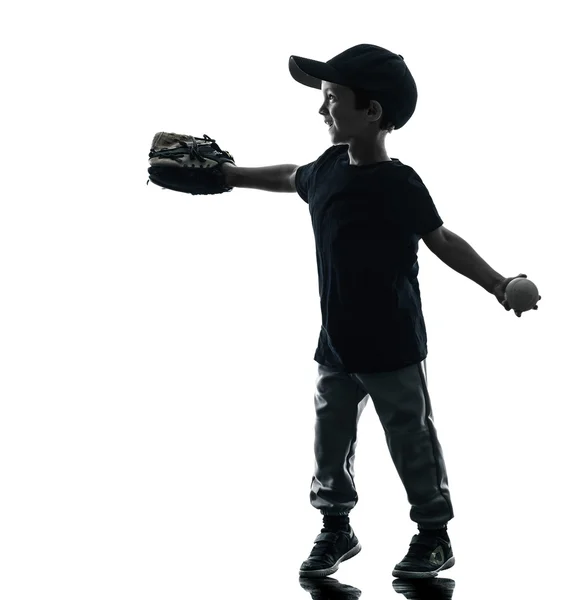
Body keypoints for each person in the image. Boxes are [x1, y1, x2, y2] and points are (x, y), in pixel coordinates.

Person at [221, 43, 539, 580]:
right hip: (336, 347)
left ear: (371, 112)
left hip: (392, 347)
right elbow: (286, 176)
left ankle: (434, 537)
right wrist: (229, 174)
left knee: (411, 441)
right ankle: (336, 529)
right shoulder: (325, 170)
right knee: (329, 443)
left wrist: (500, 283)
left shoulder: (399, 183)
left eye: (331, 100)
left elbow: (442, 240)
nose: (321, 111)